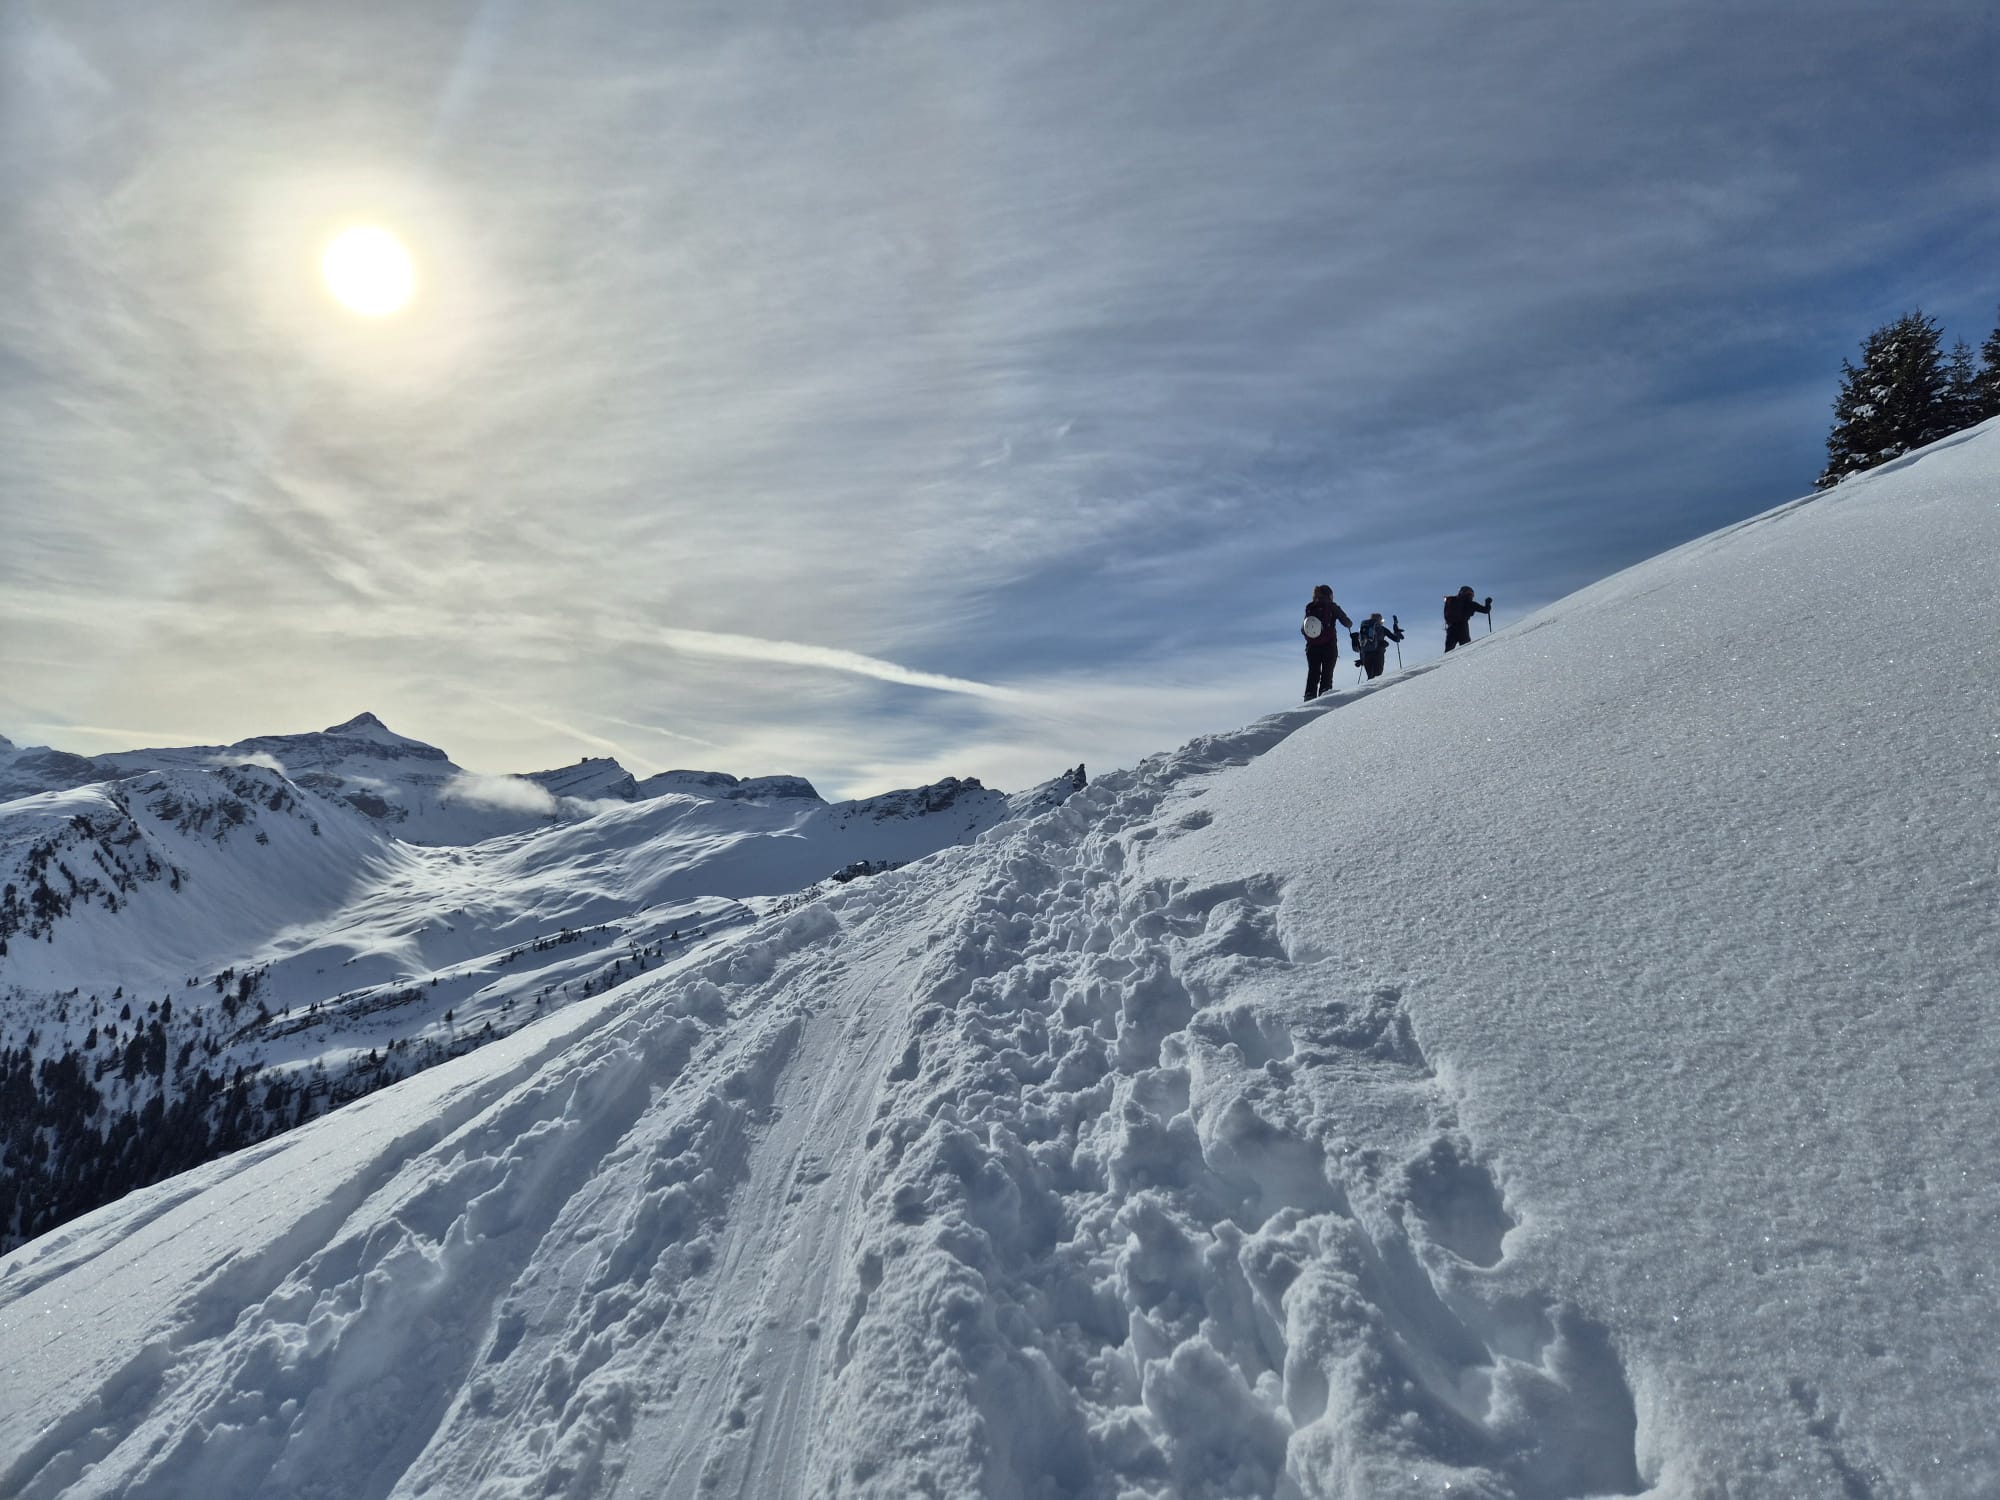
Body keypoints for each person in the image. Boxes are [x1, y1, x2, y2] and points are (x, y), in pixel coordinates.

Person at [1301, 584, 1352, 700]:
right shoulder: (1332, 606)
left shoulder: (1310, 607)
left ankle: (1309, 698)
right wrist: (1350, 624)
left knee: (1313, 673)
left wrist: (1313, 639)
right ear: (1329, 595)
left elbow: (1303, 629)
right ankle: (1325, 699)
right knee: (1327, 674)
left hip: (1311, 647)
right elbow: (1346, 622)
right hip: (1329, 645)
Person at [1354, 611, 1404, 679]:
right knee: (1378, 675)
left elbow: (1360, 643)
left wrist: (1362, 659)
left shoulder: (1363, 629)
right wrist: (1396, 629)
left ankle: (1370, 686)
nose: (1382, 622)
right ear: (1378, 620)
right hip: (1378, 653)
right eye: (1382, 620)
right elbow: (1396, 639)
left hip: (1365, 655)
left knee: (1370, 677)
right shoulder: (1381, 628)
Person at [1442, 586, 1492, 652]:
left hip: (1451, 627)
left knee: (1448, 650)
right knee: (1466, 649)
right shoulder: (1470, 603)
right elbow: (1485, 610)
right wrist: (1488, 603)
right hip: (1462, 627)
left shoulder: (1452, 600)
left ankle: (1447, 659)